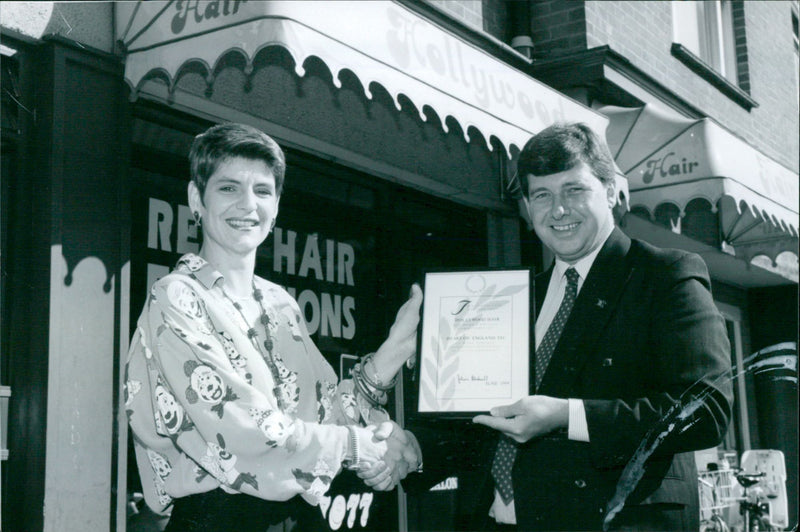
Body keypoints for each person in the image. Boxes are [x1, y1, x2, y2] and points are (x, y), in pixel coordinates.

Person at [408, 122, 733, 531]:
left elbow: (706, 410)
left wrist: (567, 416)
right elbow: (486, 417)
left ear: (612, 190)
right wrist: (417, 448)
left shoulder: (664, 276)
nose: (558, 209)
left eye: (574, 190)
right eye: (541, 195)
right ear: (526, 208)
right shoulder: (512, 297)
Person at [125, 122, 422, 532]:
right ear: (197, 199)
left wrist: (390, 357)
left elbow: (324, 413)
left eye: (262, 191)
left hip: (292, 520)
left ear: (277, 205)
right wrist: (360, 446)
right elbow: (244, 430)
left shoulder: (281, 303)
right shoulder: (176, 296)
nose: (248, 205)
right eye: (229, 188)